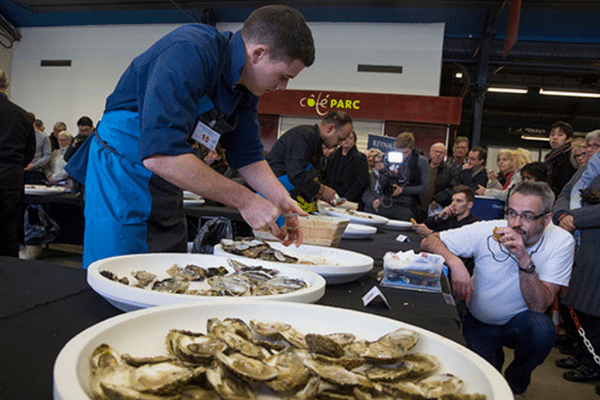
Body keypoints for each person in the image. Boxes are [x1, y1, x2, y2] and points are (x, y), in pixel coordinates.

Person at [66, 5, 316, 268]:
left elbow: (248, 155)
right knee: (118, 265)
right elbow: (159, 154)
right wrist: (247, 201)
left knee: (168, 265)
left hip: (172, 172)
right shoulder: (190, 50)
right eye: (283, 76)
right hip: (122, 167)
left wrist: (280, 199)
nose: (283, 86)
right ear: (258, 53)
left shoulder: (245, 88)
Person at [422, 181, 574, 395]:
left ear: (547, 219)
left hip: (520, 321)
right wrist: (455, 263)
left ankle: (518, 376)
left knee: (541, 330)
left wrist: (523, 257)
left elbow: (540, 305)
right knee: (483, 385)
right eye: (512, 213)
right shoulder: (488, 229)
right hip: (480, 319)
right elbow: (430, 240)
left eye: (527, 216)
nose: (516, 223)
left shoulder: (561, 241)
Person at [552, 147, 600, 384]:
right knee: (577, 306)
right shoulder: (584, 169)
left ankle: (593, 363)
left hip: (593, 245)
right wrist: (561, 214)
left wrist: (575, 219)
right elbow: (565, 192)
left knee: (594, 310)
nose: (591, 150)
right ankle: (583, 356)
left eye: (595, 145)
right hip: (578, 245)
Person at [266, 111, 352, 211]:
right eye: (340, 139)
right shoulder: (305, 137)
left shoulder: (316, 143)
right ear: (330, 128)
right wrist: (322, 190)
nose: (341, 144)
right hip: (269, 196)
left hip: (283, 196)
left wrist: (319, 194)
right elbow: (296, 174)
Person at [0, 69, 36, 257]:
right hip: (11, 178)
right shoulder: (22, 116)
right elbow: (29, 152)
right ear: (6, 85)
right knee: (9, 231)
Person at [374, 131, 429, 221]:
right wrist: (385, 172)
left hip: (406, 206)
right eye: (399, 152)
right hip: (386, 203)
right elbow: (379, 184)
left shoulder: (421, 161)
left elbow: (424, 188)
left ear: (412, 148)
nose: (402, 156)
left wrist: (402, 190)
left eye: (405, 152)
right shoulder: (388, 159)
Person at [322, 130, 369, 203]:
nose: (347, 140)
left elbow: (361, 181)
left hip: (350, 198)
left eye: (350, 138)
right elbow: (327, 176)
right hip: (331, 196)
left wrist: (348, 198)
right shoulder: (333, 156)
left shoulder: (360, 158)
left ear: (354, 142)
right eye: (345, 138)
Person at [413, 185, 478, 237]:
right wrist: (439, 217)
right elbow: (425, 224)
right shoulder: (450, 219)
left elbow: (455, 239)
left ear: (469, 205)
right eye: (453, 200)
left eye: (459, 201)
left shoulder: (473, 224)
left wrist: (430, 233)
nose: (453, 204)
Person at [422, 142, 460, 217]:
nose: (438, 154)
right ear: (430, 152)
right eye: (435, 151)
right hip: (418, 208)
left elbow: (454, 188)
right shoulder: (421, 167)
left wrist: (438, 200)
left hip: (437, 209)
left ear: (445, 155)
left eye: (441, 153)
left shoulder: (451, 171)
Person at [545, 121, 577, 197]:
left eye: (560, 135)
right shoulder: (549, 158)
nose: (555, 138)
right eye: (552, 135)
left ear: (569, 139)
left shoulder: (570, 158)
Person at [23, 117, 52, 184]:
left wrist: (34, 165)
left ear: (33, 123)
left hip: (36, 173)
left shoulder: (43, 137)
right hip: (21, 171)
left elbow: (47, 155)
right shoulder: (21, 134)